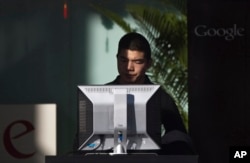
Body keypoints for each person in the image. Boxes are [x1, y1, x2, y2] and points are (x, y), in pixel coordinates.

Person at [106, 32, 195, 155]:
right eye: (123, 60)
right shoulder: (101, 95)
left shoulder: (160, 97)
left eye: (137, 61)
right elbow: (83, 143)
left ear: (148, 64)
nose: (129, 67)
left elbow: (179, 140)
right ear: (117, 58)